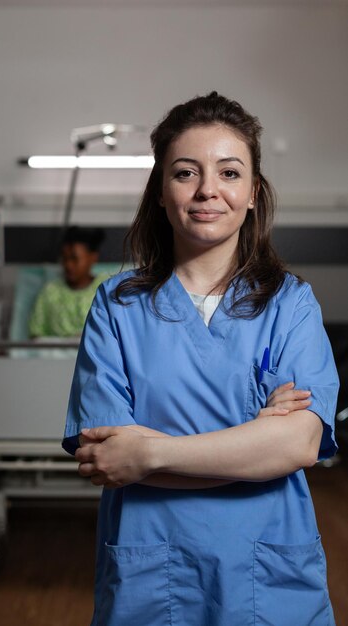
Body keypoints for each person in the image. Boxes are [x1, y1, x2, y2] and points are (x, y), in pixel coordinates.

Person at [63, 92, 339, 625]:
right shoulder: (118, 306)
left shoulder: (291, 304)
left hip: (268, 572)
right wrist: (254, 441)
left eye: (230, 173)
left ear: (253, 192)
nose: (208, 190)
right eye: (186, 172)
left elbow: (299, 443)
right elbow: (108, 457)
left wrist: (151, 454)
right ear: (161, 193)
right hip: (154, 570)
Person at [29, 226, 106, 338]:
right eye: (65, 259)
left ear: (93, 257)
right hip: (53, 354)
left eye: (75, 259)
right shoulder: (50, 292)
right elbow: (35, 334)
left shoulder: (104, 290)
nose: (68, 265)